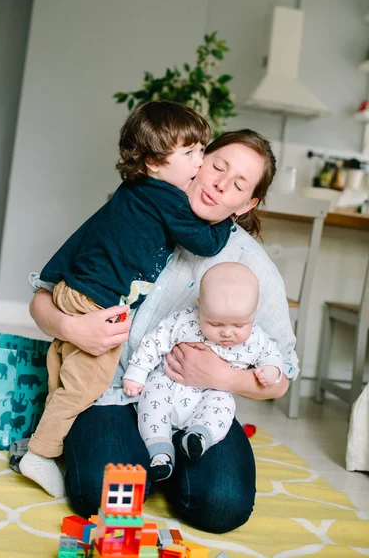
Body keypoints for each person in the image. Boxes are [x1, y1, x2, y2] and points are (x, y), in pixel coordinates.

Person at [29, 129, 299, 534]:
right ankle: (142, 461)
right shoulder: (133, 211)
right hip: (113, 389)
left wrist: (222, 377)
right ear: (197, 160)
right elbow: (43, 295)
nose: (221, 184)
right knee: (100, 495)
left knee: (222, 505)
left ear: (248, 203)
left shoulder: (252, 265)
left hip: (195, 401)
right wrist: (73, 327)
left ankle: (168, 464)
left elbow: (283, 376)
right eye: (217, 166)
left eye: (239, 184)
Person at [20, 101, 234, 498]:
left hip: (76, 289)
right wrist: (226, 218)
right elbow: (204, 243)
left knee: (64, 369)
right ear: (153, 163)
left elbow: (89, 232)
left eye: (202, 150)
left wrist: (53, 279)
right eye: (189, 154)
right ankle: (40, 453)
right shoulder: (167, 197)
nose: (200, 162)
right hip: (99, 305)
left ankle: (44, 432)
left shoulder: (132, 192)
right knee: (87, 384)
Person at [123, 262, 283, 483]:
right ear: (200, 307)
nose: (227, 333)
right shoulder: (185, 321)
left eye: (239, 325)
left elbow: (273, 357)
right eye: (215, 324)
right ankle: (160, 451)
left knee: (224, 404)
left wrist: (272, 370)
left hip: (211, 394)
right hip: (170, 383)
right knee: (154, 389)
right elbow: (154, 341)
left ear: (255, 309)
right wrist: (137, 372)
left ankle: (199, 436)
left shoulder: (257, 338)